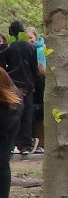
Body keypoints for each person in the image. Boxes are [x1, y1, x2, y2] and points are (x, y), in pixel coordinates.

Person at [4, 23, 39, 156]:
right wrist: (34, 83)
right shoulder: (30, 48)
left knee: (14, 114)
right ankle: (25, 144)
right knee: (27, 115)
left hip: (13, 87)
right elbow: (34, 68)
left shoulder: (9, 49)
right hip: (28, 85)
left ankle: (12, 143)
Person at [0, 69, 20, 198]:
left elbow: (7, 122)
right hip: (6, 132)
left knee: (2, 164)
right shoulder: (14, 97)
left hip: (5, 133)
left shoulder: (10, 101)